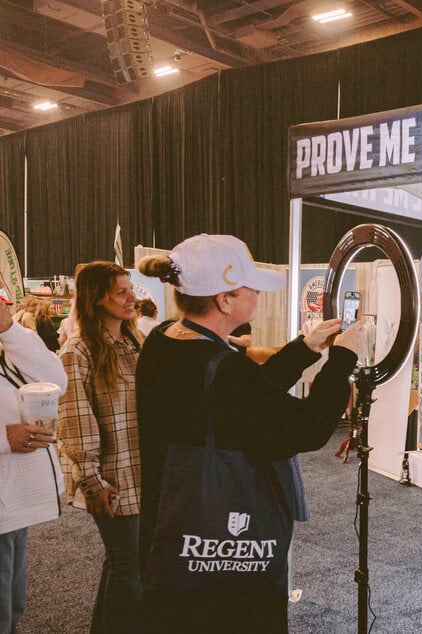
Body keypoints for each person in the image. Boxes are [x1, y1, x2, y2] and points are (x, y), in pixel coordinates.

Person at [134, 234, 364, 632]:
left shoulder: (164, 340)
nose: (258, 294)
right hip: (222, 556)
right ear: (224, 300)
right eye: (251, 287)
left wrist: (305, 348)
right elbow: (306, 428)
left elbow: (242, 398)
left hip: (171, 530)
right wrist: (342, 358)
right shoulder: (224, 369)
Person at [57, 261, 145, 632]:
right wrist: (91, 480)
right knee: (130, 568)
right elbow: (74, 423)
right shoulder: (77, 351)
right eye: (121, 291)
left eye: (131, 289)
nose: (132, 297)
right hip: (111, 477)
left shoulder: (133, 341)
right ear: (96, 298)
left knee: (123, 563)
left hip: (140, 469)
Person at [0, 302, 68, 633]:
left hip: (14, 506)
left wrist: (10, 331)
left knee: (12, 606)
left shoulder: (9, 349)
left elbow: (57, 382)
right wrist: (4, 437)